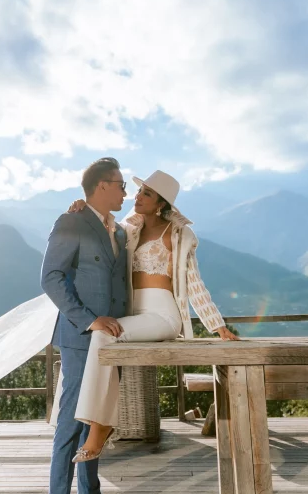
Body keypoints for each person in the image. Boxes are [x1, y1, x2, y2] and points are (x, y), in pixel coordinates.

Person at [67, 169, 238, 464]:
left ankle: (99, 427)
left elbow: (194, 282)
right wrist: (82, 210)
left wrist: (217, 326)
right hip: (134, 314)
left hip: (163, 314)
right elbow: (100, 228)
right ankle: (102, 424)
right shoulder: (128, 228)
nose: (137, 196)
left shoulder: (179, 235)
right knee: (103, 335)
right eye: (138, 191)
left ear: (161, 203)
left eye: (146, 193)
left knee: (104, 332)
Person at [40, 157, 136, 494]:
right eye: (119, 185)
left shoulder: (121, 231)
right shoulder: (72, 222)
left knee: (99, 418)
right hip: (82, 337)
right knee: (70, 425)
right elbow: (50, 278)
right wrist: (89, 319)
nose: (125, 192)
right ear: (99, 187)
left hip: (115, 339)